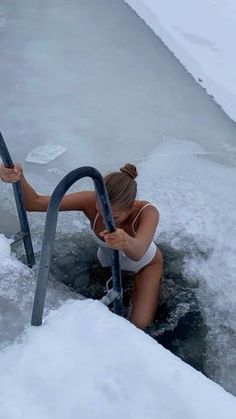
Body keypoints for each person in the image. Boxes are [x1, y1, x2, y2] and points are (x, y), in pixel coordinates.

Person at [0, 162, 163, 329]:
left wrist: (125, 240)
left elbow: (138, 253)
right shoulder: (90, 200)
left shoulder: (147, 212)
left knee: (139, 326)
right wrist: (18, 177)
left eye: (115, 217)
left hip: (145, 265)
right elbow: (34, 203)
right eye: (100, 211)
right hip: (107, 262)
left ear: (132, 206)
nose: (106, 220)